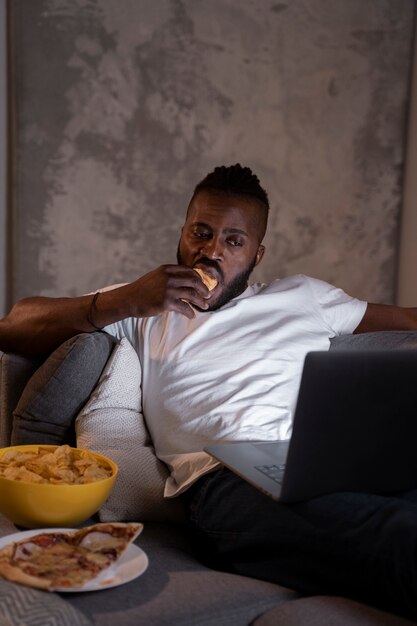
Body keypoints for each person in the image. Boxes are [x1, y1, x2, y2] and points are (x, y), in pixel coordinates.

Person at [1, 164, 417, 618]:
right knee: (396, 534)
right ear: (182, 233)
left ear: (257, 254)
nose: (211, 251)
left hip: (318, 466)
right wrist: (126, 299)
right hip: (225, 486)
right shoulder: (142, 306)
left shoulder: (304, 297)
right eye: (201, 232)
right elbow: (14, 326)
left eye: (233, 241)